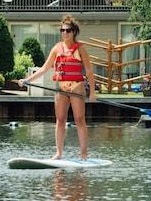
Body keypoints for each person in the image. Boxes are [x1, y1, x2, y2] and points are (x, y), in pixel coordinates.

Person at [23, 15, 97, 160]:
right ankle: (59, 153)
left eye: (68, 30)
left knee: (79, 120)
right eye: (62, 30)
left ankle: (83, 153)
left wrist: (92, 93)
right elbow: (45, 68)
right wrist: (27, 80)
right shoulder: (57, 48)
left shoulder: (81, 48)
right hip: (61, 89)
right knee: (60, 119)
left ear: (74, 32)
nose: (64, 33)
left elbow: (88, 72)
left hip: (77, 87)